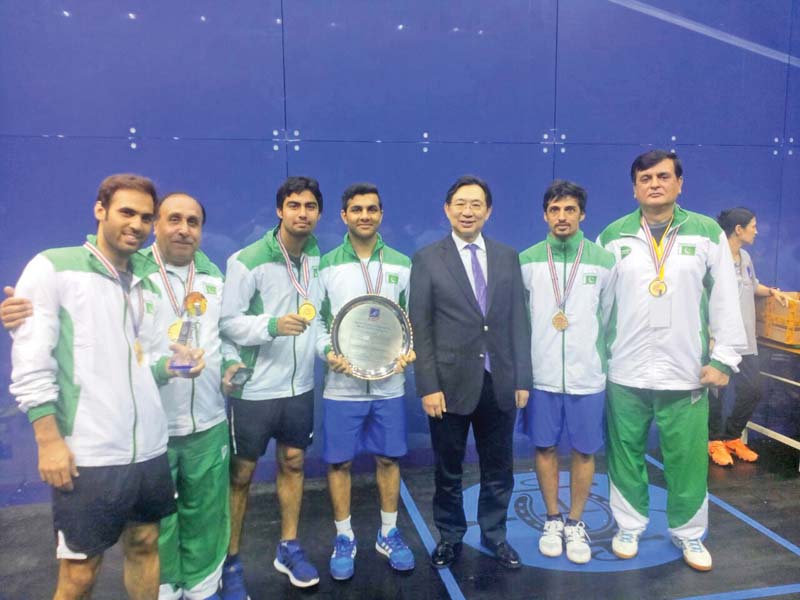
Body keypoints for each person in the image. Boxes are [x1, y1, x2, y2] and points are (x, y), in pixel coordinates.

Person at [2, 192, 231, 600]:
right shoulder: (56, 267)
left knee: (145, 543)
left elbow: (139, 359)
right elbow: (34, 362)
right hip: (89, 451)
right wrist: (49, 440)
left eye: (143, 216)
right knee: (79, 571)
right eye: (131, 213)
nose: (137, 224)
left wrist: (174, 367)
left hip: (148, 448)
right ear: (100, 210)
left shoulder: (145, 281)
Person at [596, 150, 746, 572]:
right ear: (634, 188)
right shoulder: (613, 236)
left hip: (687, 373)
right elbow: (600, 307)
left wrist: (723, 359)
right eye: (645, 178)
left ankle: (689, 534)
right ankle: (629, 525)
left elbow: (725, 302)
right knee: (625, 454)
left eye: (663, 176)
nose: (654, 184)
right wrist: (599, 360)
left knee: (687, 458)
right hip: (625, 371)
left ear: (679, 184)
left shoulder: (706, 233)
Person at [409, 175, 532, 570]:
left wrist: (522, 379)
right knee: (448, 471)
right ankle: (449, 537)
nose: (468, 211)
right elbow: (421, 327)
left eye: (476, 204)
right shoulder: (428, 258)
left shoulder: (506, 256)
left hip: (499, 383)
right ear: (447, 209)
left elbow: (518, 322)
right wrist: (427, 385)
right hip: (448, 386)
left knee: (500, 468)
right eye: (460, 203)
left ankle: (495, 535)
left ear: (488, 211)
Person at [219, 176, 324, 594]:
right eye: (294, 205)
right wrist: (271, 326)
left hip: (299, 385)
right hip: (254, 389)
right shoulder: (247, 260)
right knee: (241, 475)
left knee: (294, 462)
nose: (302, 213)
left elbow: (324, 318)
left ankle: (288, 546)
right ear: (280, 210)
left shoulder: (319, 257)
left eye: (310, 206)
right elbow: (227, 322)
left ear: (318, 212)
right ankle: (230, 562)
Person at [318, 183, 417, 580]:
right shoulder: (325, 265)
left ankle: (389, 533)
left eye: (371, 209)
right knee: (339, 461)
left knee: (389, 458)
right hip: (341, 386)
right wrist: (327, 353)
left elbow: (411, 321)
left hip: (389, 384)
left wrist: (411, 351)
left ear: (381, 215)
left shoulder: (401, 263)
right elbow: (316, 323)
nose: (364, 215)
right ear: (343, 216)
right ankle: (344, 536)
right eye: (356, 209)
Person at [518, 180, 615, 564]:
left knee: (584, 450)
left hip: (587, 375)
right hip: (541, 375)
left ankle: (576, 522)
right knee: (543, 447)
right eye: (555, 210)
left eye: (570, 210)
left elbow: (609, 317)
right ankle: (552, 518)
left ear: (582, 214)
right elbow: (521, 320)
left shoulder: (604, 261)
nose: (562, 217)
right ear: (544, 215)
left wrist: (596, 359)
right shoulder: (526, 260)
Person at [708, 207, 792, 466]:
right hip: (719, 341)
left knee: (753, 389)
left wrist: (771, 292)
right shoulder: (713, 258)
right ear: (738, 229)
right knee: (716, 394)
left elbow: (751, 284)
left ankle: (732, 437)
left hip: (745, 340)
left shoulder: (745, 257)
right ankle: (714, 441)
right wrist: (710, 335)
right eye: (753, 226)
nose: (756, 231)